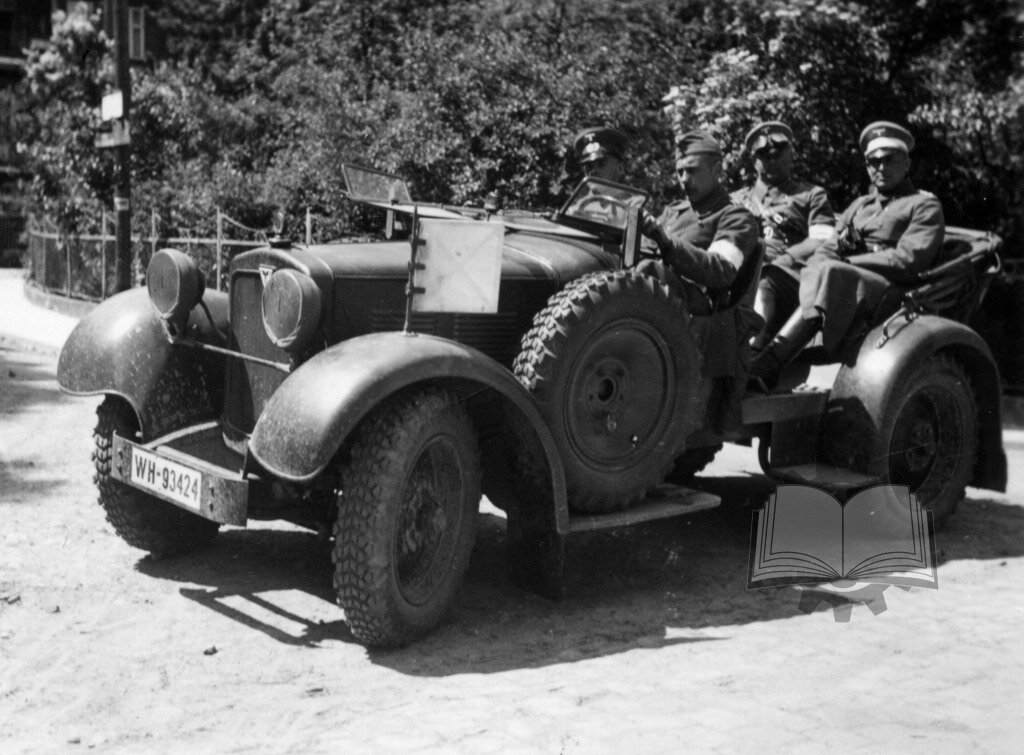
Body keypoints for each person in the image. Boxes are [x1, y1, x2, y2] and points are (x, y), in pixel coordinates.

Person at [750, 121, 945, 384]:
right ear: (867, 167)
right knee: (771, 278)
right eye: (873, 162)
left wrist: (849, 261)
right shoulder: (859, 205)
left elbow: (908, 258)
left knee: (832, 271)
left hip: (887, 288)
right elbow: (828, 248)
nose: (881, 167)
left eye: (890, 160)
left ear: (906, 164)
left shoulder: (924, 204)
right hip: (842, 281)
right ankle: (751, 353)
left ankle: (768, 366)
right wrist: (815, 267)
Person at [639, 130, 761, 431]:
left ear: (717, 170)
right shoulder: (675, 211)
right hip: (663, 305)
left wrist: (666, 242)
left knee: (648, 270)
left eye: (692, 171)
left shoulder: (734, 217)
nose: (683, 179)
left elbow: (720, 270)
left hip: (701, 309)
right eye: (679, 171)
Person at [732, 121, 836, 350]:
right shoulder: (736, 201)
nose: (772, 157)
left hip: (789, 278)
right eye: (764, 154)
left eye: (779, 151)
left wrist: (785, 258)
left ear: (791, 154)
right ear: (753, 160)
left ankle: (751, 352)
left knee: (765, 279)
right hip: (738, 273)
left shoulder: (811, 195)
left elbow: (822, 239)